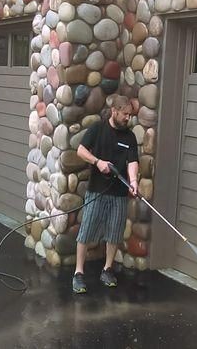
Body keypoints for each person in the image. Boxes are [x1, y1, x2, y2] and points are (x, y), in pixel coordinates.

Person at [72, 95, 139, 294]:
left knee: (115, 233)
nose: (128, 118)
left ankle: (107, 269)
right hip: (97, 190)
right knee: (86, 231)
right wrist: (97, 162)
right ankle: (78, 273)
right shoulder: (97, 129)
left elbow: (133, 162)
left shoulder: (130, 137)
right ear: (114, 111)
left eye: (130, 115)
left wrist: (133, 181)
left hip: (119, 194)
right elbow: (81, 151)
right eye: (125, 114)